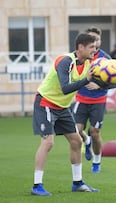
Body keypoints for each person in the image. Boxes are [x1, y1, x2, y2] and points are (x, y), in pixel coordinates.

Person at [31, 33, 99, 196]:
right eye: (91, 47)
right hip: (45, 103)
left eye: (95, 47)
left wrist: (107, 83)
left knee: (76, 141)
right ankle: (36, 185)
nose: (94, 50)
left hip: (62, 106)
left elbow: (103, 80)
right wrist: (86, 80)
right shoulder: (66, 61)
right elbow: (65, 88)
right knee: (48, 142)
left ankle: (77, 183)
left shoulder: (90, 63)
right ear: (80, 47)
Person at [72, 26, 116, 174]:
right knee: (76, 131)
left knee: (95, 131)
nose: (95, 42)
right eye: (91, 39)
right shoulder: (80, 57)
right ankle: (87, 141)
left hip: (98, 101)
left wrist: (98, 85)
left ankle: (96, 162)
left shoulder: (106, 59)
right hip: (80, 99)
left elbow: (115, 82)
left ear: (100, 40)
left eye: (97, 39)